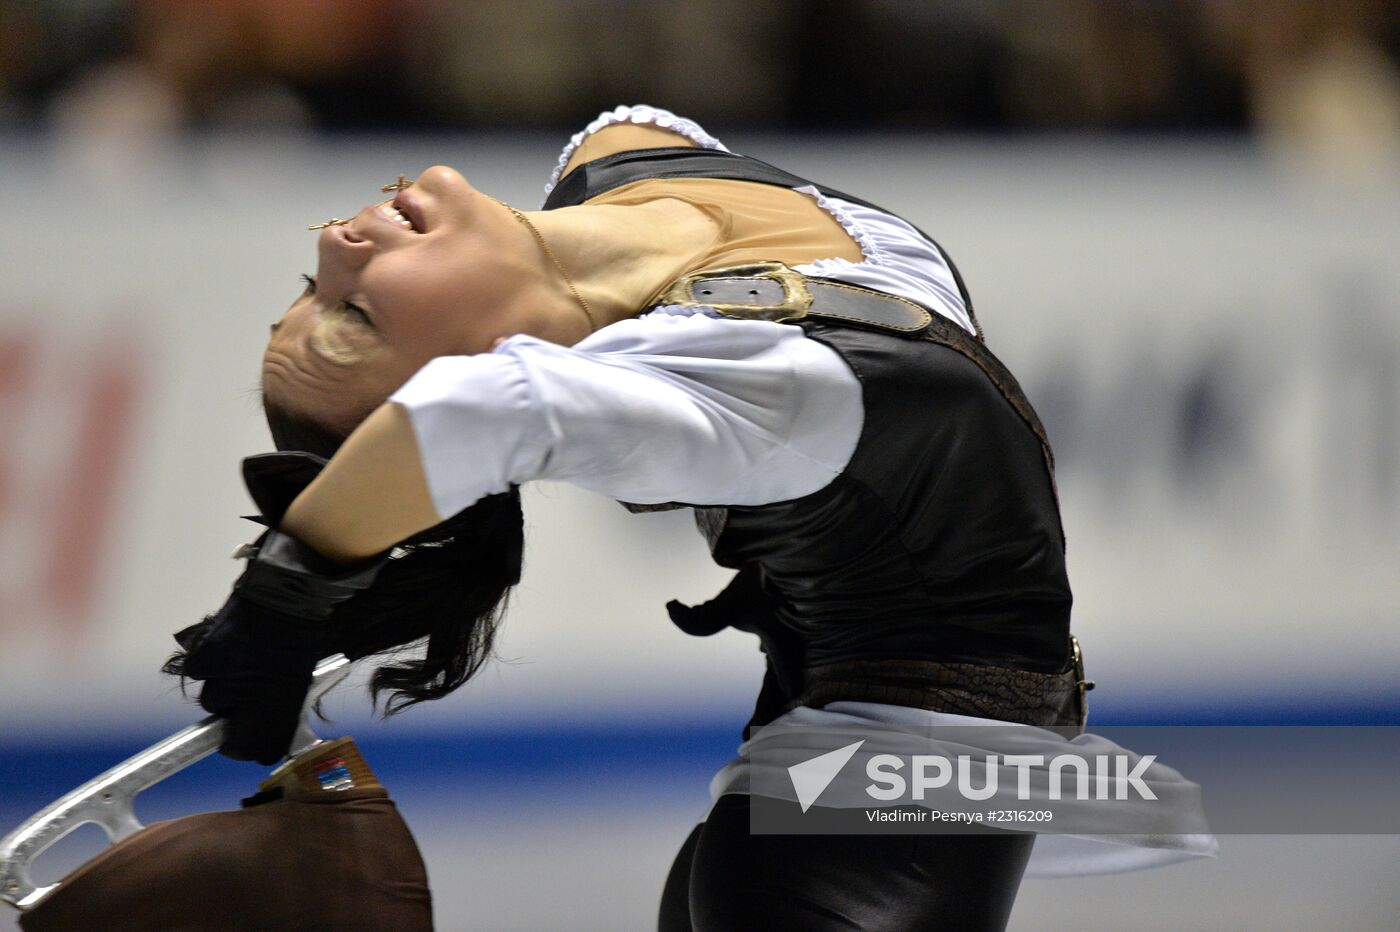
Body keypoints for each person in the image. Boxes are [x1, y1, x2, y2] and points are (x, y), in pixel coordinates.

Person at [167, 105, 1210, 931]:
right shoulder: (721, 382)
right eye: (357, 314)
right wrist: (289, 582)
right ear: (478, 362)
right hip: (862, 852)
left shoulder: (620, 163)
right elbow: (483, 413)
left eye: (313, 284)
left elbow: (625, 130)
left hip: (834, 816)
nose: (341, 245)